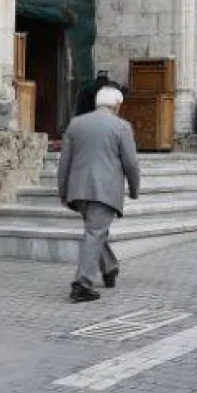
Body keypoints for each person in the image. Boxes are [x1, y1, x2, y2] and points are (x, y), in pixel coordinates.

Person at [58, 86, 143, 302]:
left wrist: (63, 190)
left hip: (79, 190)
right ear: (117, 105)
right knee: (95, 232)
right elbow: (131, 163)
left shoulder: (76, 123)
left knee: (95, 230)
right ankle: (82, 284)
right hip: (105, 190)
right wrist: (134, 189)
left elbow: (64, 162)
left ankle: (110, 267)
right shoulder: (121, 126)